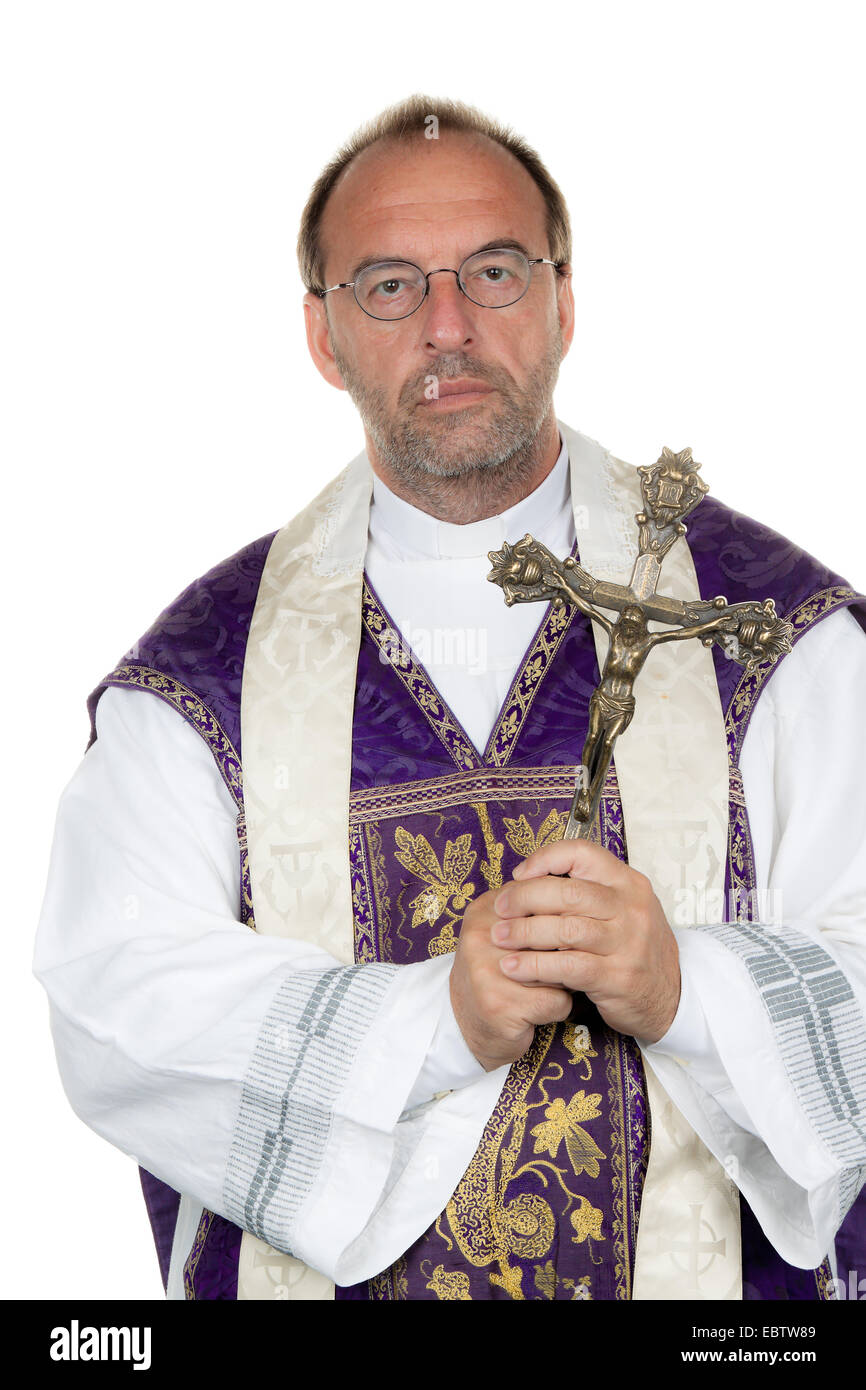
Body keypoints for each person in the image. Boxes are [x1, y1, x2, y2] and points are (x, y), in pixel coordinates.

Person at [33, 94, 866, 1302]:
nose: (447, 324)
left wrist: (688, 989)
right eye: (387, 284)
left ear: (561, 303)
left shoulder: (771, 633)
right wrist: (433, 1024)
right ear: (322, 335)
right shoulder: (200, 679)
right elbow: (117, 1008)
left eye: (491, 271)